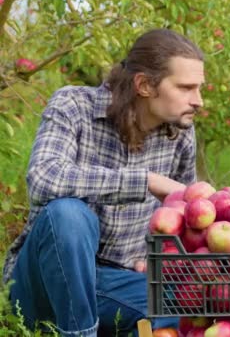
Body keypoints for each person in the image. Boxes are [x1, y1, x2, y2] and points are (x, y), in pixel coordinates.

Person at [2, 28, 205, 336]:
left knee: (196, 307)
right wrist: (146, 181)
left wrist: (158, 261)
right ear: (144, 85)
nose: (198, 100)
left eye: (199, 88)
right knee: (68, 214)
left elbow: (182, 227)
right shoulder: (73, 106)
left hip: (115, 283)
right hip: (46, 279)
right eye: (186, 88)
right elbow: (44, 178)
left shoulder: (179, 135)